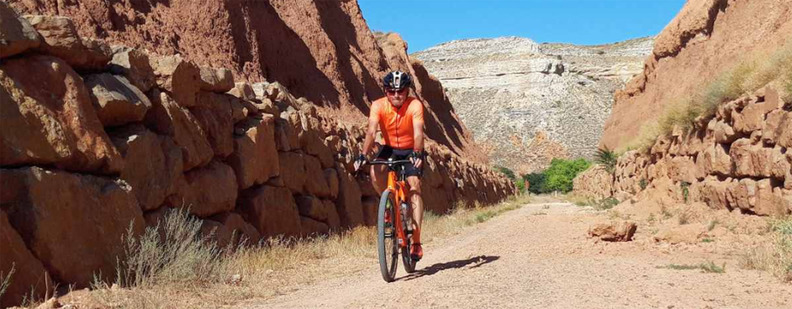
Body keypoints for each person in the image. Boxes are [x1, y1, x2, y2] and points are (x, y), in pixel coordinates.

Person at [354, 71, 426, 261]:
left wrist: (418, 152)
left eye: (400, 91)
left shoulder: (415, 105)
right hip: (390, 147)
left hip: (412, 149)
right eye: (391, 91)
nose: (396, 95)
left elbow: (418, 132)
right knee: (374, 170)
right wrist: (362, 155)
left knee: (414, 187)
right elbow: (371, 131)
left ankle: (416, 241)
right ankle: (388, 205)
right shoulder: (378, 105)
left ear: (407, 90)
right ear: (385, 91)